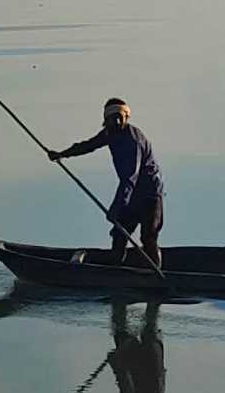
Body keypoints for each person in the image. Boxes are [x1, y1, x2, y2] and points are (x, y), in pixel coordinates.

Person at [49, 97, 164, 267]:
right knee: (119, 233)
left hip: (149, 194)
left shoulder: (133, 140)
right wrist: (61, 154)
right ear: (106, 120)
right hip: (131, 195)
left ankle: (155, 272)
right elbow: (88, 145)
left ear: (126, 117)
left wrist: (117, 207)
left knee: (148, 237)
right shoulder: (109, 133)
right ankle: (115, 269)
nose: (117, 121)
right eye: (113, 118)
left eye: (120, 117)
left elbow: (130, 178)